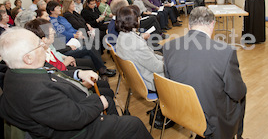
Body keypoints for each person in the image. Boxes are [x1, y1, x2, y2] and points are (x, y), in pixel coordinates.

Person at [0, 28, 153, 139]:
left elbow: (52, 72)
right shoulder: (35, 91)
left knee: (111, 104)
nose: (44, 47)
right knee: (134, 124)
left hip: (67, 111)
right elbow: (76, 118)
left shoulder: (18, 71)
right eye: (39, 46)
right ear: (28, 58)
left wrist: (79, 73)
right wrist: (98, 103)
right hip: (74, 131)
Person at [163, 7, 247, 139]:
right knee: (242, 93)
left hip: (181, 109)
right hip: (211, 117)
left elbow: (169, 80)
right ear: (212, 24)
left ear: (189, 25)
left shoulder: (168, 47)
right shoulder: (225, 52)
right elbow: (237, 93)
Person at [116, 6, 165, 91]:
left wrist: (164, 59)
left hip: (137, 79)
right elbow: (156, 67)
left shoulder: (121, 37)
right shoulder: (136, 44)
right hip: (151, 81)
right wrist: (171, 61)